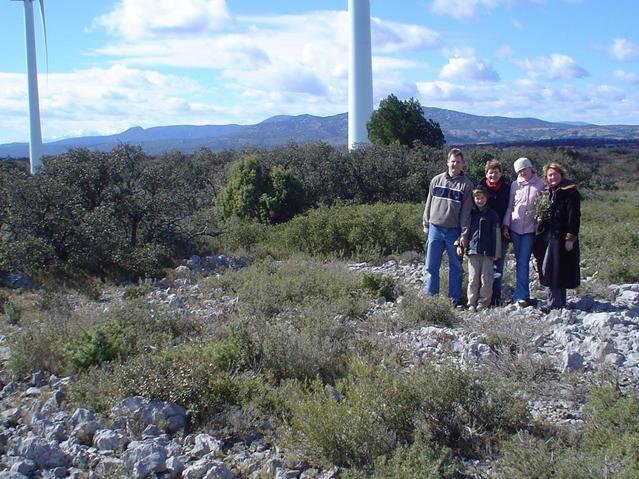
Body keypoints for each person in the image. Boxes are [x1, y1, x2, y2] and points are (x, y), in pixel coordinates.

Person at [422, 148, 474, 306]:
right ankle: (431, 298)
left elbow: (466, 213)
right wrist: (426, 223)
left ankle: (454, 299)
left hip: (454, 231)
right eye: (453, 161)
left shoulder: (466, 185)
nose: (455, 164)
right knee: (431, 265)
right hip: (435, 229)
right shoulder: (436, 180)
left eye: (458, 162)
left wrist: (464, 234)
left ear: (462, 163)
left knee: (456, 266)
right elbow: (429, 203)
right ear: (447, 162)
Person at [536, 162, 581, 311]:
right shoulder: (548, 192)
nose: (553, 177)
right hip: (548, 235)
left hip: (561, 236)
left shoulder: (570, 193)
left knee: (550, 269)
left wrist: (570, 238)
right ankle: (560, 302)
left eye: (555, 174)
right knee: (556, 268)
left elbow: (574, 217)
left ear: (561, 175)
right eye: (550, 175)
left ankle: (554, 303)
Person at [502, 157, 544, 307]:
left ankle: (521, 294)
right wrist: (506, 225)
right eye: (519, 171)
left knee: (523, 261)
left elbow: (543, 206)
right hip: (515, 227)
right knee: (519, 261)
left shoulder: (540, 184)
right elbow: (510, 206)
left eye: (524, 169)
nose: (522, 173)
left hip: (530, 230)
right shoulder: (515, 185)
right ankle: (520, 293)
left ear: (530, 168)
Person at [458, 185, 502, 312]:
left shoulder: (492, 215)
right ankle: (471, 302)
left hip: (487, 252)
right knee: (473, 279)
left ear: (486, 198)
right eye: (477, 198)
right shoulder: (470, 214)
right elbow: (463, 232)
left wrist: (496, 252)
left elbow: (496, 235)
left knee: (486, 278)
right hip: (472, 251)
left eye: (482, 198)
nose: (480, 200)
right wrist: (459, 244)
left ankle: (483, 303)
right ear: (473, 199)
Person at [477, 159, 511, 306]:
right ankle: (481, 297)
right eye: (491, 173)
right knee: (482, 266)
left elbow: (510, 208)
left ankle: (495, 298)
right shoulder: (480, 187)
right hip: (482, 232)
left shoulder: (507, 188)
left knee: (498, 265)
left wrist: (506, 226)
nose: (493, 176)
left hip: (500, 231)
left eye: (496, 173)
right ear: (486, 173)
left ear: (501, 173)